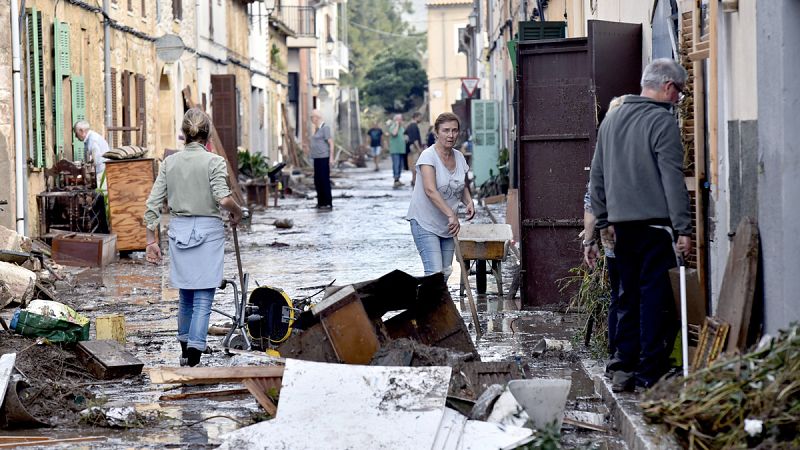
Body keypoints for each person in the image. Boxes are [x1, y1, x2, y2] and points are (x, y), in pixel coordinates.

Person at [589, 58, 692, 392]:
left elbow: (597, 177)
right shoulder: (662, 122)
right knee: (654, 300)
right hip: (656, 229)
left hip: (619, 229)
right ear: (667, 86)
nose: (679, 99)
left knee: (627, 296)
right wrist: (683, 228)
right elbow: (672, 178)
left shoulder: (612, 118)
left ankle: (621, 367)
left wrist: (603, 222)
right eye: (680, 92)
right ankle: (649, 373)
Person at [143, 108, 243, 367]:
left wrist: (150, 241)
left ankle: (186, 348)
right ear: (207, 135)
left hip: (179, 230)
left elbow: (153, 203)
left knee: (186, 294)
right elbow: (223, 198)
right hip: (207, 232)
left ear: (183, 135)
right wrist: (238, 211)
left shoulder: (169, 163)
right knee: (203, 296)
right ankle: (196, 352)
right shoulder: (214, 161)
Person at [406, 112, 475, 278]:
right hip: (425, 222)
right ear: (436, 133)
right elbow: (430, 190)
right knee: (434, 274)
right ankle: (426, 304)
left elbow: (461, 186)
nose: (450, 135)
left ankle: (433, 304)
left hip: (447, 225)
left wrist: (469, 202)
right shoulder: (428, 156)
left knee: (445, 273)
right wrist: (451, 214)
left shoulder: (459, 157)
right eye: (445, 130)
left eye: (454, 130)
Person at [73, 120, 110, 233]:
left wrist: (87, 166)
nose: (75, 136)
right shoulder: (91, 138)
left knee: (100, 201)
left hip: (101, 173)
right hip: (101, 172)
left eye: (76, 133)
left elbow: (96, 160)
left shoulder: (92, 140)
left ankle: (102, 229)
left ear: (81, 131)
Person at [310, 110, 334, 209]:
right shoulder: (316, 129)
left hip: (324, 157)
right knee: (317, 180)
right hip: (317, 158)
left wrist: (331, 157)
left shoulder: (325, 128)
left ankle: (327, 202)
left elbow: (331, 143)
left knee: (324, 180)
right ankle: (320, 202)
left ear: (317, 118)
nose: (312, 119)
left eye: (313, 117)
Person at [405, 112, 424, 187]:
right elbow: (415, 139)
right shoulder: (414, 126)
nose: (421, 119)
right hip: (415, 146)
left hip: (411, 146)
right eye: (420, 117)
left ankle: (414, 180)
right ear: (416, 117)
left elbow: (405, 135)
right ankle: (414, 180)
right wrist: (419, 148)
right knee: (416, 163)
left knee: (414, 163)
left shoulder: (409, 126)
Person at [388, 114, 406, 187]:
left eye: (401, 119)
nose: (401, 121)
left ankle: (398, 179)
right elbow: (394, 133)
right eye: (399, 119)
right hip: (395, 150)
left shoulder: (402, 128)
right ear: (396, 120)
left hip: (401, 149)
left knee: (400, 165)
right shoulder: (393, 127)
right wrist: (397, 125)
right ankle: (395, 180)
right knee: (396, 164)